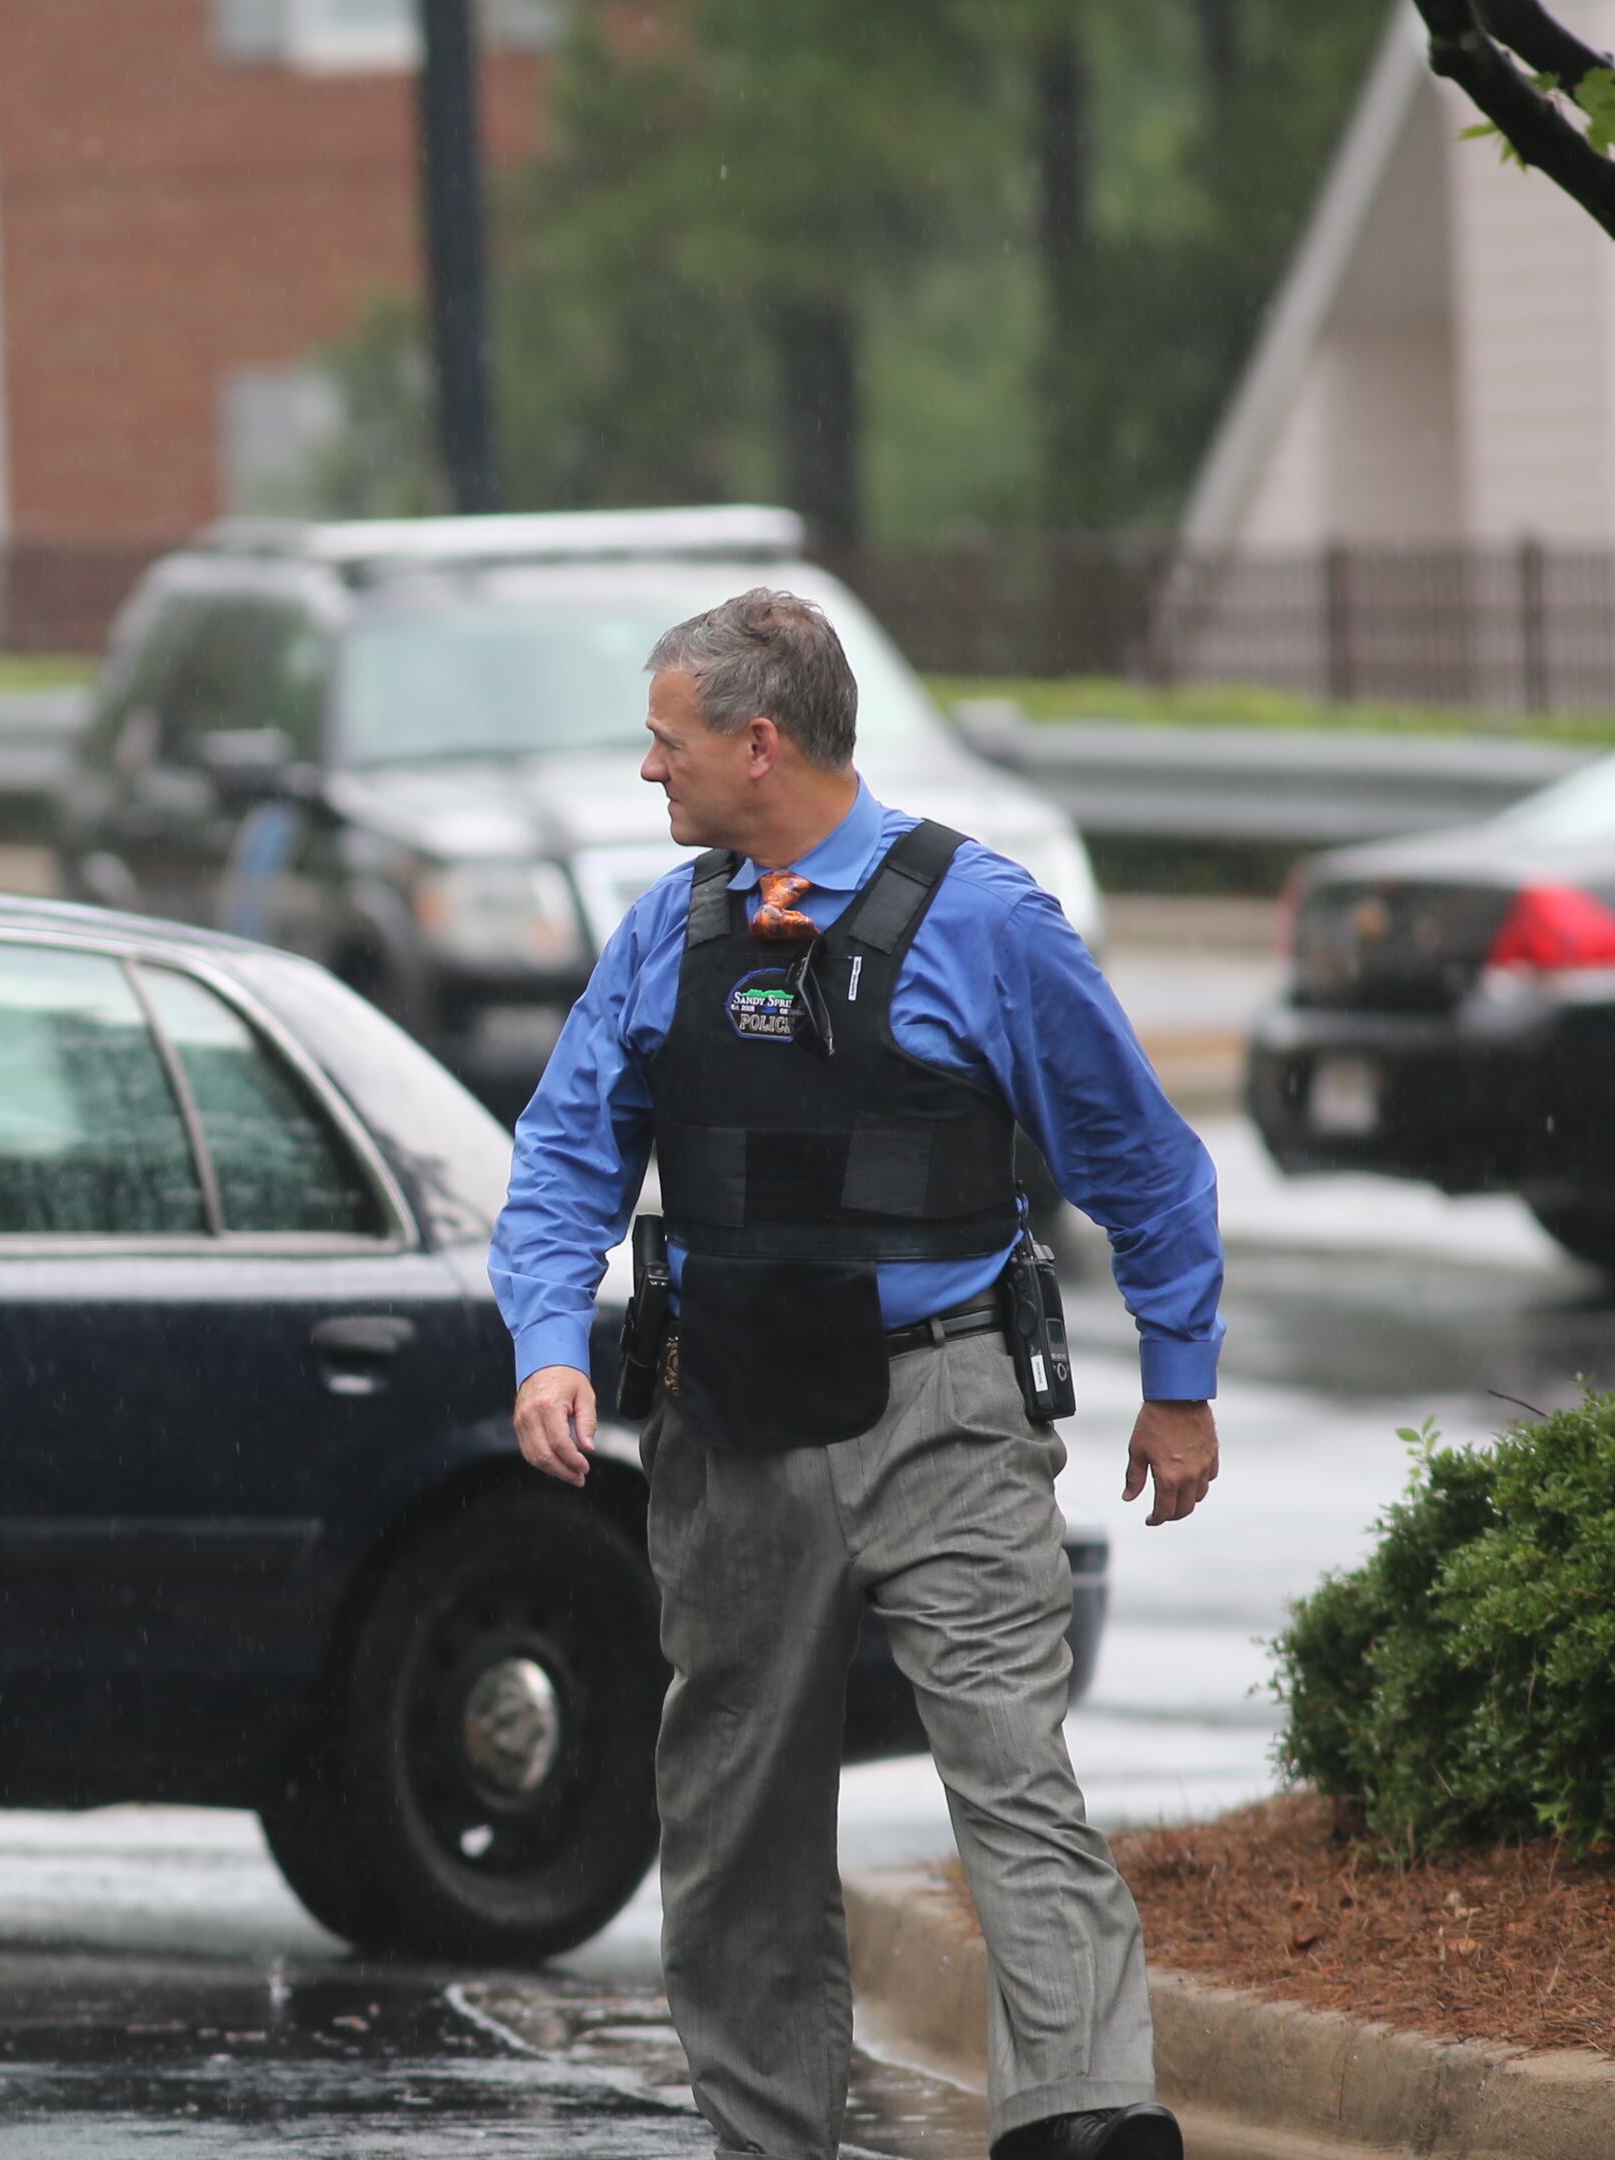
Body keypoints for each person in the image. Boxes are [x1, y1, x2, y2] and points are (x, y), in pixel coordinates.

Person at [493, 590, 1220, 2160]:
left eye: (665, 742)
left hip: (944, 1403)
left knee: (1012, 1772)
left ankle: (1085, 2123)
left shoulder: (985, 918)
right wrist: (549, 1345)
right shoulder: (666, 932)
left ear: (760, 744)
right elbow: (563, 1159)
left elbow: (1141, 1161)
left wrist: (1180, 1376)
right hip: (731, 1426)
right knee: (737, 1817)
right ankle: (769, 2138)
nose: (647, 774)